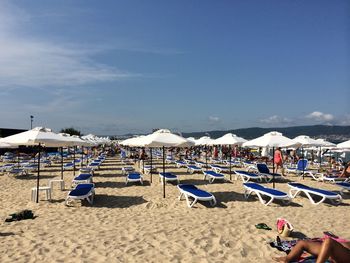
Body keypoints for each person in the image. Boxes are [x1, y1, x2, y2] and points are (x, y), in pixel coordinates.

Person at [273, 236, 350, 263]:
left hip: (346, 256)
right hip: (334, 251)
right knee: (302, 243)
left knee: (329, 242)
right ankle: (287, 259)